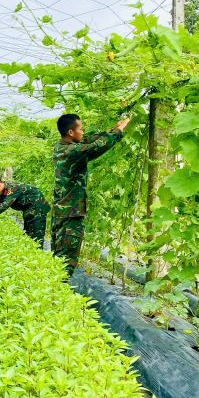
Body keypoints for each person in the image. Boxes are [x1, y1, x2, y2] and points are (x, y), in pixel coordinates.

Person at [52, 113, 130, 277]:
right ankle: (57, 290)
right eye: (80, 129)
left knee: (58, 258)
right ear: (71, 132)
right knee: (65, 262)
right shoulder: (73, 152)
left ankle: (54, 288)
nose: (83, 132)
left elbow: (87, 140)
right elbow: (96, 146)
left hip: (62, 212)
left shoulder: (61, 147)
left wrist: (112, 129)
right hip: (70, 215)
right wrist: (119, 131)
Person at [0, 175, 49, 246]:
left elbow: (5, 205)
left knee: (37, 235)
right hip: (28, 209)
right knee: (28, 234)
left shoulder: (12, 187)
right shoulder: (5, 189)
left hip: (38, 208)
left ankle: (39, 251)